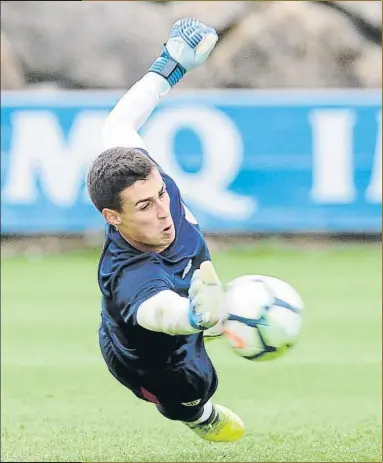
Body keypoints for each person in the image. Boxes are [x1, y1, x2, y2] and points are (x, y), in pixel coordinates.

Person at [87, 18, 244, 442]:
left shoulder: (146, 180)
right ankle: (197, 417)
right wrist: (194, 315)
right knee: (193, 393)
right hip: (156, 360)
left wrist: (169, 66)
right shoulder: (130, 276)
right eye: (144, 205)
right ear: (112, 217)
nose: (164, 210)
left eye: (160, 193)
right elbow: (158, 312)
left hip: (188, 299)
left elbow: (117, 124)